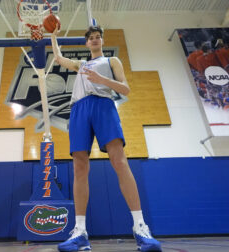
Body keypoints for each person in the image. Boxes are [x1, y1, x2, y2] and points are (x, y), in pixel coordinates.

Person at [50, 25, 162, 252]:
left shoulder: (112, 61)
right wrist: (52, 35)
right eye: (90, 38)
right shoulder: (81, 65)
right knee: (79, 168)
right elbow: (59, 58)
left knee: (119, 162)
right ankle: (80, 232)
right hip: (79, 109)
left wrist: (102, 79)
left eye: (97, 37)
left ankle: (141, 227)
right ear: (86, 43)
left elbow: (126, 89)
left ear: (102, 41)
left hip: (103, 105)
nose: (94, 40)